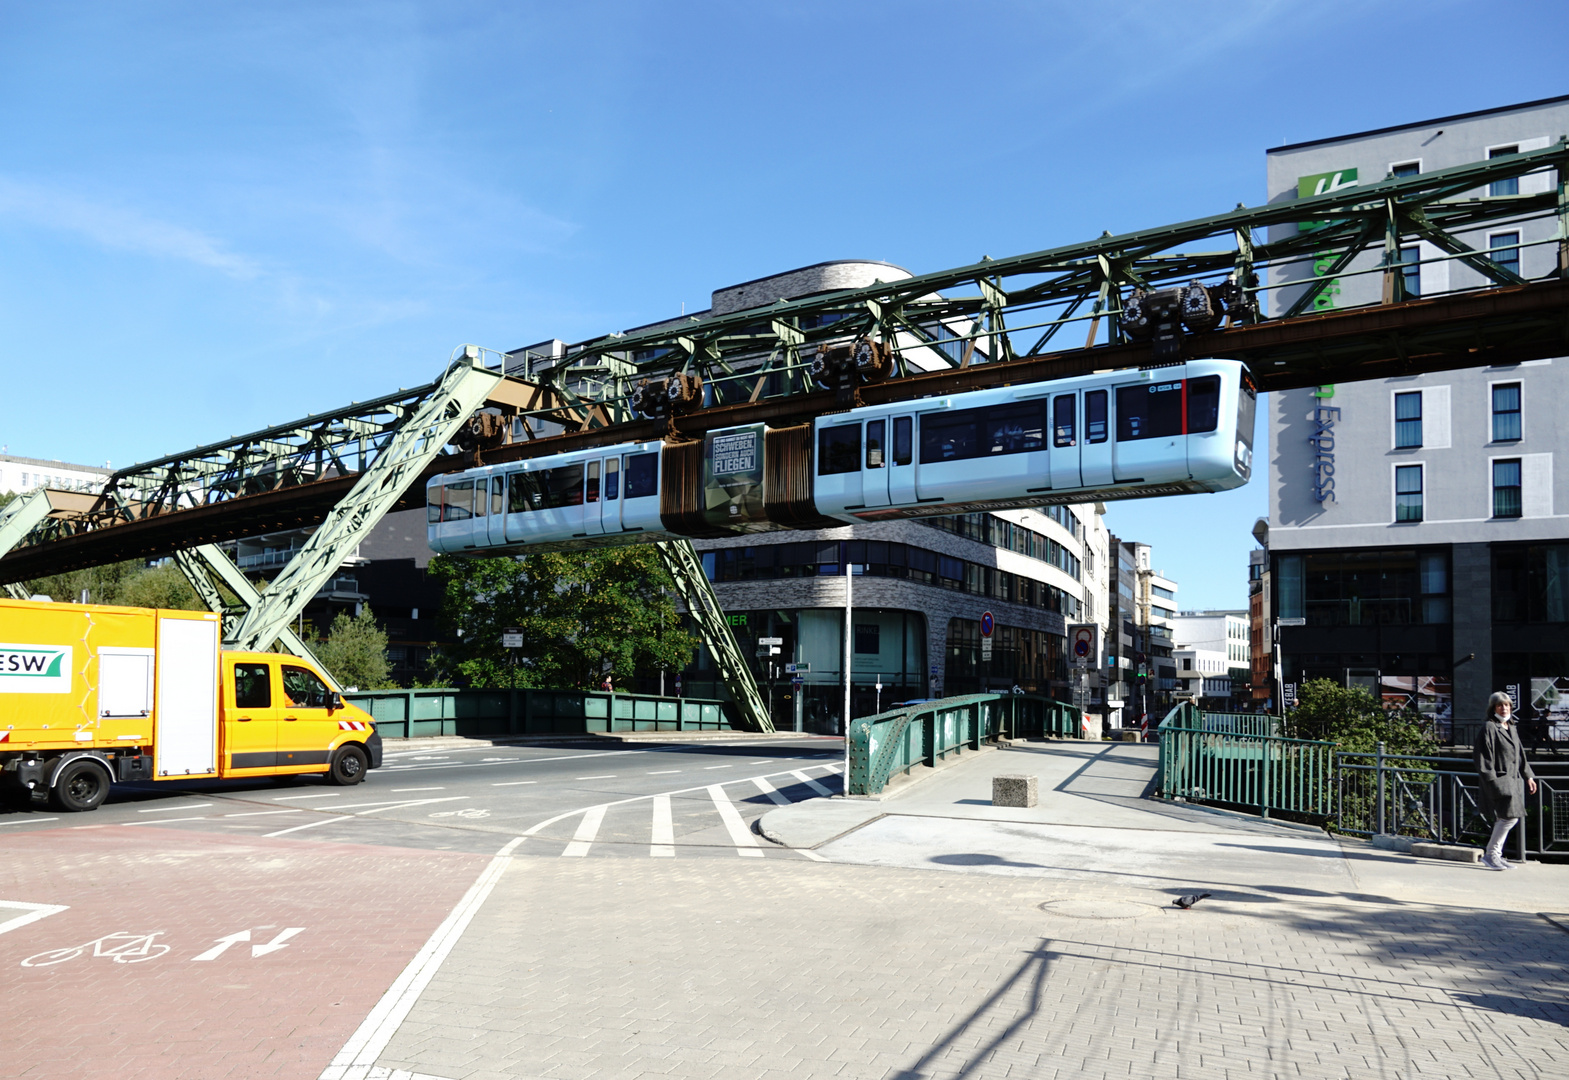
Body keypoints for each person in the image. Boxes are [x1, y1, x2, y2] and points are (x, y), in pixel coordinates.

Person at [1474, 691, 1537, 870]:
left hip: (1513, 780)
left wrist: (1529, 776)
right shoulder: (1489, 727)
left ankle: (1494, 855)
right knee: (1508, 818)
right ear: (1493, 708)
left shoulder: (1511, 726)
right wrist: (1492, 781)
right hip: (1500, 780)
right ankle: (1491, 855)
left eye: (1507, 705)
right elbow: (1482, 758)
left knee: (1507, 817)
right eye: (1500, 705)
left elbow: (1520, 755)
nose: (1504, 708)